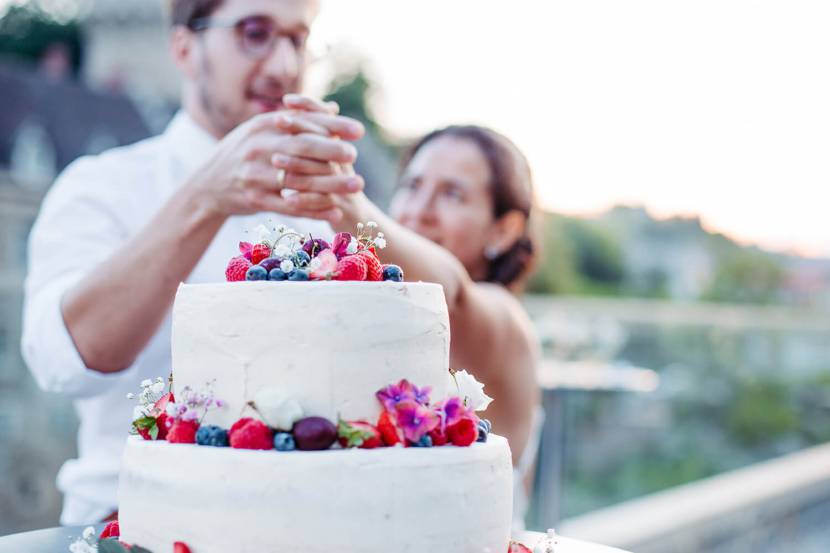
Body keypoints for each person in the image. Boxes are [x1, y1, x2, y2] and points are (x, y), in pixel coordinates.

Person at [21, 0, 364, 525]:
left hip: (299, 524)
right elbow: (60, 360)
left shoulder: (324, 215)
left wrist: (353, 207)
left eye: (298, 40)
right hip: (124, 522)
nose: (283, 67)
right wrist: (205, 198)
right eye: (254, 33)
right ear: (184, 48)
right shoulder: (100, 185)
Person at [282, 124, 543, 526]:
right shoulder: (373, 321)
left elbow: (451, 295)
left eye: (452, 194)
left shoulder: (503, 318)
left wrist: (350, 206)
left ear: (503, 230)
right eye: (413, 185)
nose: (418, 210)